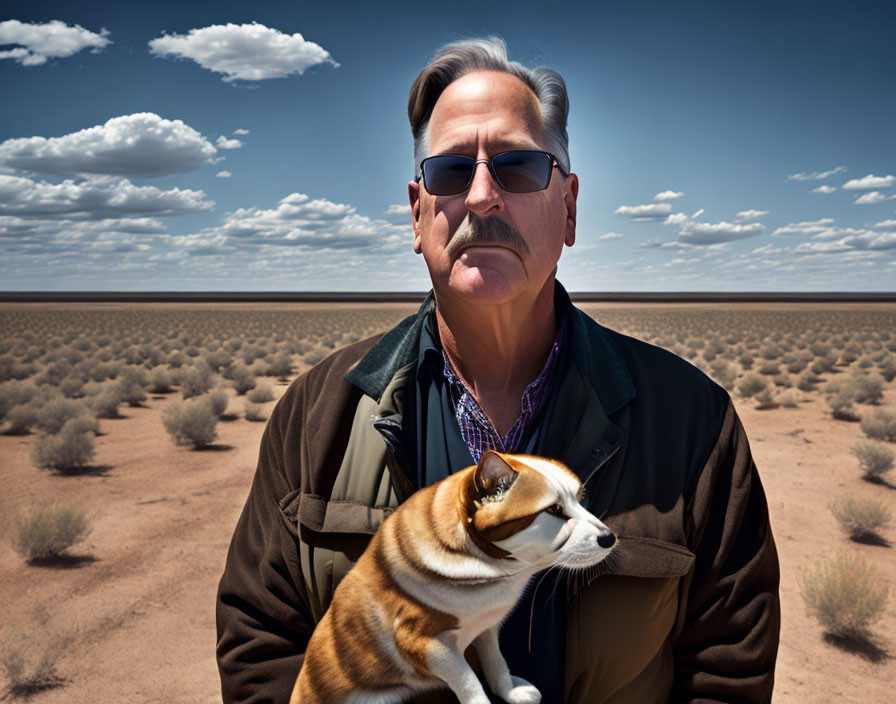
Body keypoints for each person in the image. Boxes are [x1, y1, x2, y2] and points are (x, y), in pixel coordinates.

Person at [216, 37, 780, 703]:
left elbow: (728, 666)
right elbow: (262, 639)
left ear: (568, 208)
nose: (483, 196)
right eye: (452, 172)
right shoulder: (320, 414)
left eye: (517, 168)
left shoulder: (693, 424)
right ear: (418, 212)